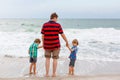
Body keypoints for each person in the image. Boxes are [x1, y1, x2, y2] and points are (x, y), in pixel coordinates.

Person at [41, 12, 69, 77]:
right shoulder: (58, 25)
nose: (57, 20)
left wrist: (43, 43)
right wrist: (66, 41)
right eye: (57, 19)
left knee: (47, 59)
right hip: (56, 45)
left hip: (47, 45)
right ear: (55, 17)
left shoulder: (44, 25)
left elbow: (43, 35)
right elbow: (62, 34)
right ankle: (54, 74)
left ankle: (47, 74)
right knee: (55, 59)